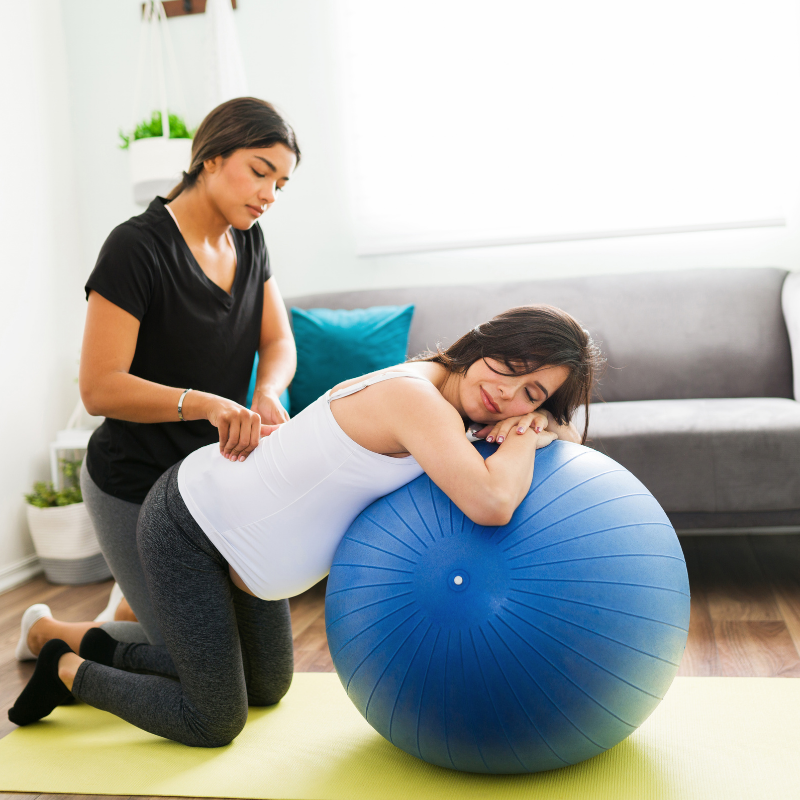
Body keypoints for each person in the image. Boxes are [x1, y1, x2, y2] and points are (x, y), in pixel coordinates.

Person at [8, 306, 603, 748]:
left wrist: (543, 422)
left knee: (265, 687)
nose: (506, 394)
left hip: (250, 556)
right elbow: (492, 504)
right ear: (481, 343)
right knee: (213, 719)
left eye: (531, 392)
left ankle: (73, 637)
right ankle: (67, 670)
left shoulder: (455, 402)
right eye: (508, 368)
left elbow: (570, 437)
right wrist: (528, 433)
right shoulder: (415, 399)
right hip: (193, 526)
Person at [15, 98, 301, 664]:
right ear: (211, 159)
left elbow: (278, 341)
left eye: (282, 184)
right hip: (135, 480)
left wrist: (266, 391)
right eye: (260, 172)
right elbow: (98, 388)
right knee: (199, 663)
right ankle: (49, 635)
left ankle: (132, 610)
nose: (269, 194)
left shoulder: (249, 240)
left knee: (250, 663)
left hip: (209, 478)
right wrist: (206, 405)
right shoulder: (136, 247)